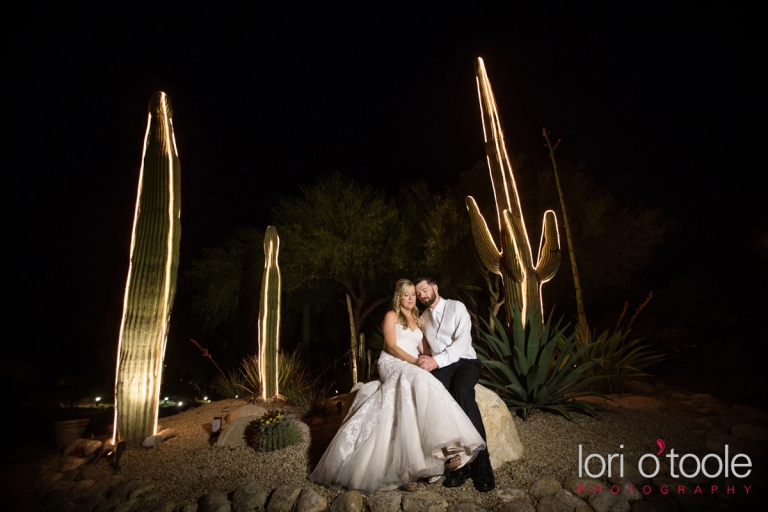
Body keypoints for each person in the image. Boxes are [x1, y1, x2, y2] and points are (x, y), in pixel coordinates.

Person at [309, 279, 485, 494]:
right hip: (392, 361)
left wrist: (434, 361)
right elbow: (391, 346)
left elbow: (425, 349)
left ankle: (446, 449)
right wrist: (415, 363)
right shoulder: (391, 316)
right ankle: (405, 469)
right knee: (419, 377)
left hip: (412, 362)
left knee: (426, 381)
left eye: (414, 294)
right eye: (407, 294)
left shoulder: (419, 319)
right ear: (398, 297)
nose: (412, 298)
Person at [414, 276, 496, 492]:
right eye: (418, 293)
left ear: (435, 287)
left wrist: (435, 361)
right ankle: (458, 462)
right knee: (436, 396)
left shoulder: (456, 307)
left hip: (466, 361)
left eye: (424, 290)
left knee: (461, 391)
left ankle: (482, 462)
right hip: (442, 366)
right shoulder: (423, 318)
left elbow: (463, 342)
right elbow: (425, 348)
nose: (422, 295)